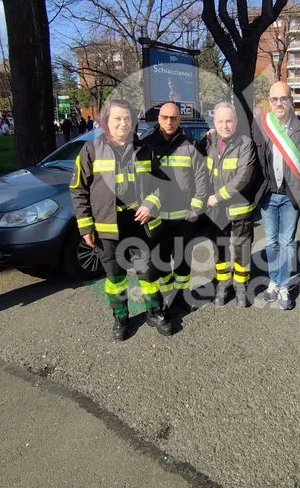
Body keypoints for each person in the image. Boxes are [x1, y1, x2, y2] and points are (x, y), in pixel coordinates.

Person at [69, 98, 172, 341]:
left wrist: (151, 204)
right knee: (115, 278)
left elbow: (163, 185)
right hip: (107, 227)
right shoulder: (91, 150)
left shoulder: (145, 149)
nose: (123, 123)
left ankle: (154, 312)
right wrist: (85, 225)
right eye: (118, 118)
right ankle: (121, 317)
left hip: (140, 225)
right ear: (106, 122)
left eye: (127, 118)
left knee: (148, 273)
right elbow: (78, 189)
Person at [142, 102, 209, 310]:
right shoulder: (147, 145)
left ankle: (181, 294)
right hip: (158, 217)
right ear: (158, 118)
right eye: (165, 117)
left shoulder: (190, 144)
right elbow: (141, 181)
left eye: (174, 118)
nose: (169, 122)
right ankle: (168, 292)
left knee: (182, 261)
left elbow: (202, 180)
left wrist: (196, 210)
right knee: (161, 261)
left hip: (184, 218)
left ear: (180, 120)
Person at [252, 81, 300, 310]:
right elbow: (245, 143)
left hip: (290, 196)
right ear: (270, 101)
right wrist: (215, 133)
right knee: (272, 242)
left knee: (286, 242)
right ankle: (273, 282)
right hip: (268, 194)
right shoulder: (261, 125)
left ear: (291, 100)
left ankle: (283, 284)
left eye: (283, 98)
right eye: (274, 99)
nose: (278, 103)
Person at [199, 102, 258, 307]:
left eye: (229, 121)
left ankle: (241, 285)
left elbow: (243, 177)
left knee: (241, 247)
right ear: (214, 123)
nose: (225, 125)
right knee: (219, 247)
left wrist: (218, 197)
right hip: (216, 210)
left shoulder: (245, 143)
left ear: (236, 122)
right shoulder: (208, 142)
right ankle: (223, 282)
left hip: (238, 208)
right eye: (220, 121)